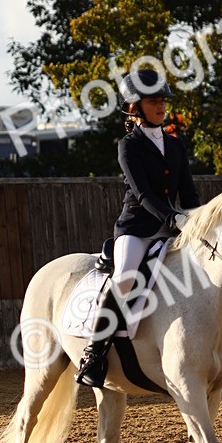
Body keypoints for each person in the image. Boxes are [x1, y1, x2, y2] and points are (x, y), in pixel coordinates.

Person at [75, 68, 199, 387]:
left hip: (174, 228)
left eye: (163, 100)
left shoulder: (176, 146)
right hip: (138, 228)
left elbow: (190, 194)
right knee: (126, 278)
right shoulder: (128, 146)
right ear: (135, 107)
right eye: (153, 101)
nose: (161, 106)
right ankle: (95, 353)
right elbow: (142, 193)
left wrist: (197, 220)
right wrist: (171, 218)